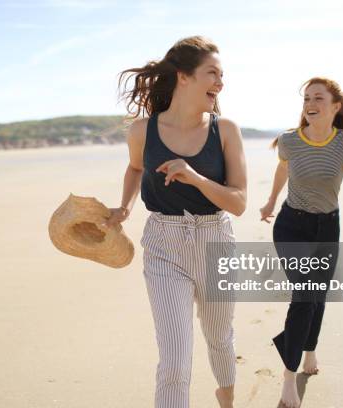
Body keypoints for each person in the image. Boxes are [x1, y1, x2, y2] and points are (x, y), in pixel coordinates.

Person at [104, 36, 247, 408]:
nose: (220, 82)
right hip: (164, 246)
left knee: (219, 338)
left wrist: (196, 178)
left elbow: (239, 203)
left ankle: (226, 398)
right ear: (183, 77)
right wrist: (124, 207)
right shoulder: (142, 132)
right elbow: (136, 168)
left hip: (216, 241)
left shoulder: (226, 130)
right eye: (212, 73)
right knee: (175, 362)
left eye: (222, 75)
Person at [259, 77, 343, 408]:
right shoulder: (290, 140)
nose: (310, 103)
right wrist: (271, 202)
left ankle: (309, 349)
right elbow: (282, 171)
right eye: (306, 98)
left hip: (327, 229)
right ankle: (289, 377)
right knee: (304, 298)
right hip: (291, 226)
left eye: (318, 98)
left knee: (317, 297)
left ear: (335, 107)